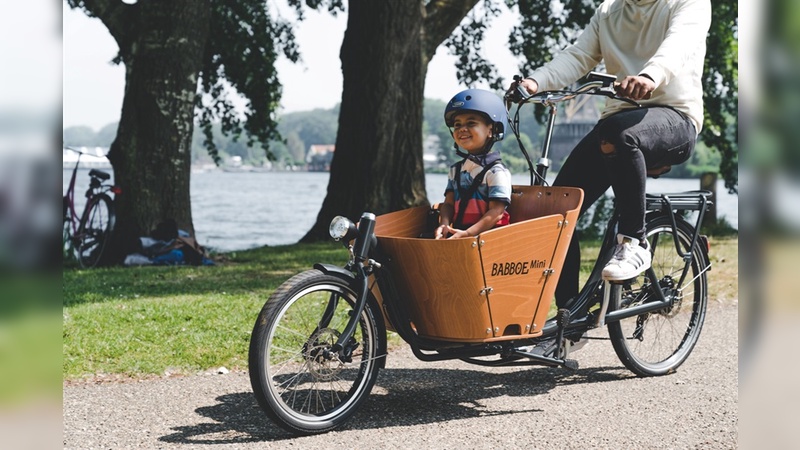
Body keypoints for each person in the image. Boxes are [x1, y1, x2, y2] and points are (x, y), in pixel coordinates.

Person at [508, 0, 711, 307]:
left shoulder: (688, 3)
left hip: (675, 118)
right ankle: (568, 317)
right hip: (615, 125)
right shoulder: (608, 11)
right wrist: (536, 82)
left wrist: (649, 77)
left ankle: (633, 242)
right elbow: (578, 56)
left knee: (621, 134)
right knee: (557, 211)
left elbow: (678, 45)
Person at [435, 89, 512, 240]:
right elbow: (448, 204)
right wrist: (444, 225)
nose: (462, 129)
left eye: (471, 123)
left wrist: (469, 234)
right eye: (457, 125)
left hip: (489, 240)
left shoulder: (496, 172)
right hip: (460, 235)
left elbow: (497, 212)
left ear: (491, 130)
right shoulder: (455, 170)